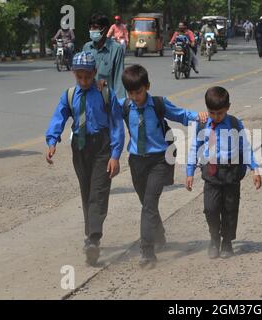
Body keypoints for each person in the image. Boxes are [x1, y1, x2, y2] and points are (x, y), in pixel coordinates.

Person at [119, 65, 208, 269]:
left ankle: (147, 251)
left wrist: (199, 116)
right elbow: (104, 105)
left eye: (139, 92)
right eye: (131, 93)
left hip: (159, 160)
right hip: (136, 161)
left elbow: (181, 115)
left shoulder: (158, 104)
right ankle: (158, 235)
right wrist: (101, 87)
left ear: (147, 87)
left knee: (149, 203)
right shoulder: (124, 105)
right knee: (146, 203)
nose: (135, 97)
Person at [45, 51, 125, 266]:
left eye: (87, 77)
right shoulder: (70, 95)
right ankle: (90, 233)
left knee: (98, 192)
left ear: (95, 73)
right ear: (73, 74)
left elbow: (117, 124)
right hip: (79, 147)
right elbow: (59, 117)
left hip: (102, 147)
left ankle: (93, 239)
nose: (83, 81)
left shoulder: (105, 93)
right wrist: (52, 141)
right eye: (79, 77)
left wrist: (115, 155)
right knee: (87, 191)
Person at [186, 86, 262, 259]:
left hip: (231, 172)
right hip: (211, 172)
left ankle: (226, 241)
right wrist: (189, 171)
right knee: (210, 208)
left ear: (228, 107)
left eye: (219, 113)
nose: (215, 117)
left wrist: (254, 169)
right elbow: (194, 148)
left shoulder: (235, 124)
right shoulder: (202, 124)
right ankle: (214, 239)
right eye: (212, 112)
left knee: (230, 208)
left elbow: (246, 147)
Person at [83, 13, 126, 99]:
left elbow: (119, 78)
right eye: (90, 27)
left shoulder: (116, 49)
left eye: (95, 27)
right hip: (89, 99)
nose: (92, 30)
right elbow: (81, 75)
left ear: (105, 29)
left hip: (107, 101)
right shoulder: (87, 47)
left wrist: (120, 103)